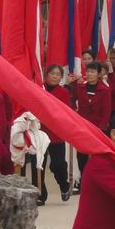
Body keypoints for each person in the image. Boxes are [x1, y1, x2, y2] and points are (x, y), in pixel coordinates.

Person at [74, 62, 112, 176]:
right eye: (88, 71)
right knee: (81, 155)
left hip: (97, 128)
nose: (89, 74)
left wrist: (102, 127)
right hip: (83, 127)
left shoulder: (104, 90)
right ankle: (83, 177)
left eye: (93, 72)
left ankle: (95, 177)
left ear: (99, 74)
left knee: (96, 156)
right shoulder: (80, 87)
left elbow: (106, 110)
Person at [41, 64, 72, 203]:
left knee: (57, 164)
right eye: (52, 73)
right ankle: (41, 194)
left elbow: (65, 112)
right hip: (39, 131)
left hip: (56, 132)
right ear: (46, 75)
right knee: (39, 164)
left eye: (57, 74)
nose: (54, 76)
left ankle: (64, 185)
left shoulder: (63, 92)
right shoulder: (39, 88)